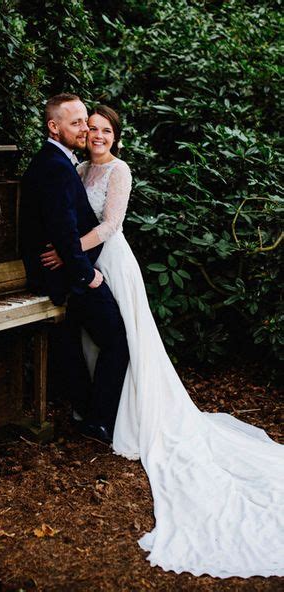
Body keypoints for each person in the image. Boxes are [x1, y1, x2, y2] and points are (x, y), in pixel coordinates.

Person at [41, 104, 284, 578]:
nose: (97, 135)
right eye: (92, 128)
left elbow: (110, 226)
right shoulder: (79, 167)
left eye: (106, 130)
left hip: (111, 261)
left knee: (125, 339)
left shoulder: (119, 171)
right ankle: (98, 409)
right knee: (96, 343)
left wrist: (70, 253)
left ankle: (123, 415)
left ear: (116, 137)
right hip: (86, 267)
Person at [20, 93, 130, 444]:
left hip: (94, 261)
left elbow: (103, 224)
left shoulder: (72, 164)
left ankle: (94, 414)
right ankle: (95, 418)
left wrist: (71, 258)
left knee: (94, 341)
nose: (88, 130)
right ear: (54, 127)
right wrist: (85, 273)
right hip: (80, 271)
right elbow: (62, 225)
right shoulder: (61, 166)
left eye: (95, 125)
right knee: (108, 341)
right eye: (80, 123)